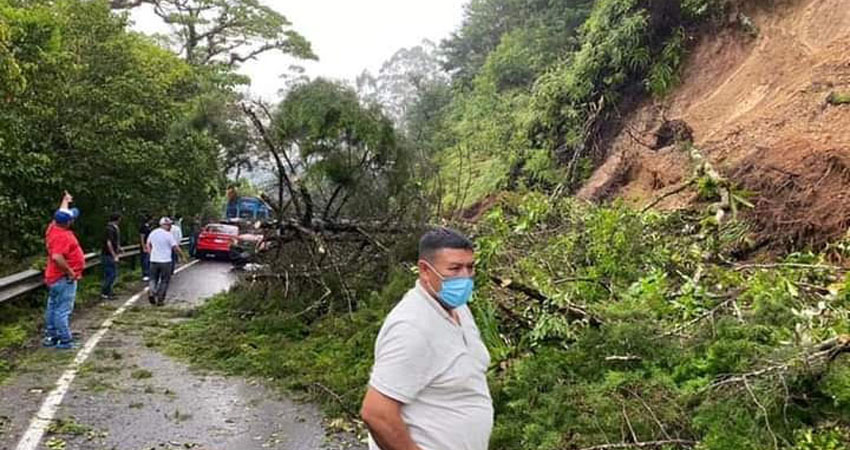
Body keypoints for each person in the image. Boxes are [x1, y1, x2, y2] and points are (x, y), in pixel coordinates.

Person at [360, 227, 493, 450]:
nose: (465, 277)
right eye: (454, 268)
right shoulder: (411, 327)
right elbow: (377, 413)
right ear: (424, 270)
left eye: (470, 267)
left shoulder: (459, 309)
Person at [43, 192, 85, 350]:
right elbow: (57, 257)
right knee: (62, 310)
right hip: (63, 278)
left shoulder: (53, 228)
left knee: (53, 307)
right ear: (69, 222)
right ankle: (65, 340)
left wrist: (65, 201)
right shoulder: (63, 236)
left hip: (54, 277)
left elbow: (59, 215)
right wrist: (70, 272)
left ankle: (51, 336)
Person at [146, 217, 186, 306]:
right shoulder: (168, 235)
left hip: (154, 260)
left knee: (153, 279)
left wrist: (150, 253)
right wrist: (182, 256)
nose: (170, 226)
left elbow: (148, 244)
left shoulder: (153, 233)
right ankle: (160, 299)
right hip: (165, 261)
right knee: (164, 281)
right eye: (168, 224)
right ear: (164, 225)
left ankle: (152, 292)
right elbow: (175, 247)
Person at [100, 212, 122, 300]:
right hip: (108, 255)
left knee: (110, 274)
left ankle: (108, 291)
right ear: (118, 219)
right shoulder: (110, 229)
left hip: (109, 254)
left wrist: (119, 248)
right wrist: (114, 255)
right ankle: (105, 292)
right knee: (111, 274)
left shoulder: (113, 228)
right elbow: (109, 242)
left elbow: (114, 241)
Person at [139, 214, 153, 281]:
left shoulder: (148, 227)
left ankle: (149, 273)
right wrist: (143, 247)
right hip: (145, 245)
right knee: (145, 260)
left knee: (148, 260)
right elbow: (142, 237)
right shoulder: (143, 227)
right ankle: (145, 274)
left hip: (149, 245)